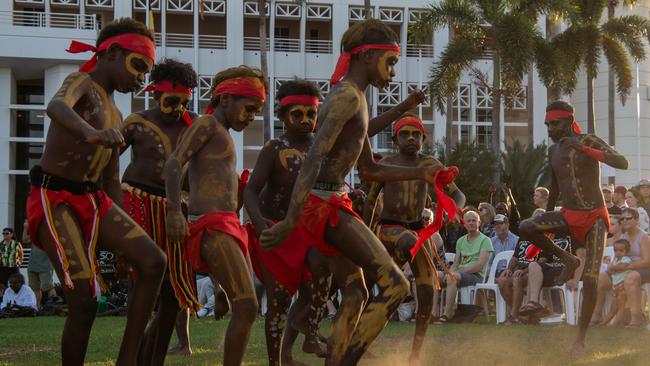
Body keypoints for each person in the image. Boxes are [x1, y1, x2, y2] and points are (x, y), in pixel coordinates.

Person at [259, 18, 451, 366]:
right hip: (323, 205)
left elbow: (369, 170)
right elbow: (314, 156)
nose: (393, 71)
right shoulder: (346, 96)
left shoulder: (356, 97)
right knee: (396, 286)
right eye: (389, 61)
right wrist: (290, 220)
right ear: (366, 57)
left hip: (330, 202)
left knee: (357, 291)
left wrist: (424, 173)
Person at [25, 18, 166, 365]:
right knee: (84, 301)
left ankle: (128, 360)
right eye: (138, 66)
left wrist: (120, 240)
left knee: (153, 261)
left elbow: (111, 181)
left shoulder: (117, 114)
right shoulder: (81, 81)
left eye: (146, 71)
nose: (141, 78)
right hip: (55, 198)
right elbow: (55, 107)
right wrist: (91, 133)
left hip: (95, 199)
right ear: (113, 53)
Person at [164, 65, 266, 366]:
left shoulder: (221, 134)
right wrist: (173, 212)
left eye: (256, 111)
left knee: (247, 302)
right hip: (213, 225)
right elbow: (173, 163)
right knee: (247, 305)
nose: (251, 117)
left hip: (227, 225)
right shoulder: (207, 123)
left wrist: (218, 287)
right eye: (248, 109)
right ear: (225, 100)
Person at [518, 100, 628, 354]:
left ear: (568, 121)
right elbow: (555, 189)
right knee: (526, 226)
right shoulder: (552, 150)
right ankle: (567, 259)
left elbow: (622, 163)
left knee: (589, 280)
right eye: (547, 124)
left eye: (554, 123)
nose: (550, 129)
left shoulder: (588, 140)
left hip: (595, 218)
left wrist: (583, 148)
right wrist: (543, 223)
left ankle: (580, 339)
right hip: (568, 215)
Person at [362, 113, 465, 363]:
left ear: (422, 138)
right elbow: (371, 201)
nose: (410, 138)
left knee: (427, 291)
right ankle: (360, 343)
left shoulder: (431, 165)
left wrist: (456, 211)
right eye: (405, 134)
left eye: (415, 135)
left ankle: (415, 355)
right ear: (396, 138)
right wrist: (364, 232)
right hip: (389, 231)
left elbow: (458, 194)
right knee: (377, 283)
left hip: (418, 233)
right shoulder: (385, 164)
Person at [120, 58, 201, 366]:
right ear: (155, 93)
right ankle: (133, 356)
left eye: (183, 102)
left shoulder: (195, 125)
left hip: (177, 210)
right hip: (138, 204)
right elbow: (105, 161)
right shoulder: (135, 122)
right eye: (171, 101)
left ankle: (154, 360)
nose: (178, 108)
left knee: (173, 292)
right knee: (141, 286)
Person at [439, 210, 493, 323]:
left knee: (453, 277)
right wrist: (450, 272)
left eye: (474, 221)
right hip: (460, 273)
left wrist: (459, 272)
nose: (472, 223)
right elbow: (456, 263)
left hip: (476, 276)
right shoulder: (460, 241)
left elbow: (479, 265)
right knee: (437, 276)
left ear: (479, 223)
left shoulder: (485, 240)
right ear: (464, 224)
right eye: (469, 221)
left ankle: (448, 313)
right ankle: (433, 313)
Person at [518, 236, 579, 320]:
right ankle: (533, 303)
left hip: (568, 270)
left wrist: (575, 279)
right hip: (552, 269)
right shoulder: (551, 236)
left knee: (532, 278)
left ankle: (530, 316)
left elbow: (582, 257)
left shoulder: (573, 234)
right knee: (533, 266)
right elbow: (543, 259)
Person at [23, 219, 55, 309]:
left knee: (48, 287)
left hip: (45, 265)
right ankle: (37, 307)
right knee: (34, 289)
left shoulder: (50, 233)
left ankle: (54, 306)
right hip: (32, 265)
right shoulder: (35, 234)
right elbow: (25, 240)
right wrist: (26, 228)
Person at [599, 238, 632, 326]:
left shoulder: (626, 259)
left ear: (627, 252)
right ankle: (603, 323)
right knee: (613, 308)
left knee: (621, 307)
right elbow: (610, 270)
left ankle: (617, 324)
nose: (618, 253)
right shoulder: (615, 260)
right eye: (615, 250)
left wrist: (612, 267)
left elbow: (622, 267)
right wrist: (612, 267)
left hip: (622, 287)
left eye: (621, 250)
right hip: (615, 287)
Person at [0, 227, 23, 293]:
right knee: (2, 285)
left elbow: (21, 255)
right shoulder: (1, 244)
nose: (5, 235)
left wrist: (19, 264)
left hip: (14, 268)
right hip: (3, 268)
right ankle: (4, 299)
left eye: (7, 233)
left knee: (16, 284)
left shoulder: (17, 244)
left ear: (11, 235)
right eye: (3, 233)